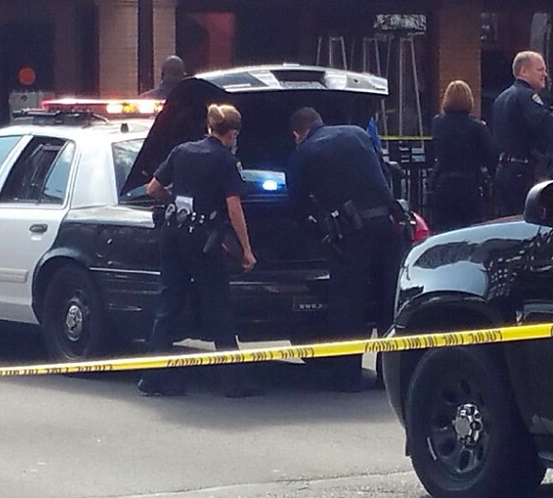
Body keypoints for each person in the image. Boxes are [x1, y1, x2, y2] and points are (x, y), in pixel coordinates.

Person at [137, 103, 260, 398]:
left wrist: (176, 201)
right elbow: (234, 207)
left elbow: (152, 189)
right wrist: (246, 249)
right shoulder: (224, 160)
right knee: (218, 307)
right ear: (231, 133)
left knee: (167, 305)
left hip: (173, 234)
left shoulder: (181, 151)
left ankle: (153, 378)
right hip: (203, 241)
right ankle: (233, 382)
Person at [286, 107, 407, 392]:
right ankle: (389, 375)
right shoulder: (358, 134)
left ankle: (347, 375)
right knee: (388, 300)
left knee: (348, 304)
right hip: (389, 228)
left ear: (296, 135)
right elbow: (385, 172)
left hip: (353, 233)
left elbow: (297, 206)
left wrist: (316, 234)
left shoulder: (302, 154)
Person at [492, 51, 553, 216]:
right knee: (526, 219)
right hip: (523, 171)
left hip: (504, 168)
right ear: (524, 71)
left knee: (507, 218)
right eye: (540, 70)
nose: (545, 75)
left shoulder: (501, 97)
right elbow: (545, 123)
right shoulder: (527, 95)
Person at [429, 80, 497, 232]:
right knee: (469, 231)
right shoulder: (477, 127)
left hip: (443, 184)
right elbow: (490, 157)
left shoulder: (437, 123)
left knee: (444, 231)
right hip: (469, 186)